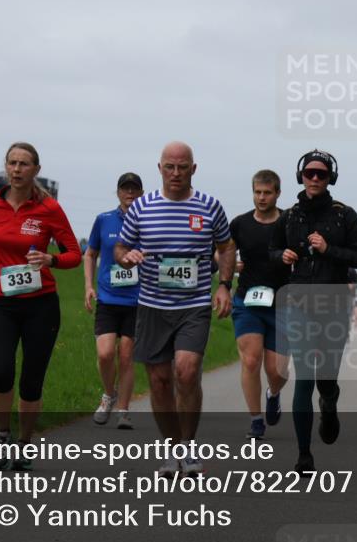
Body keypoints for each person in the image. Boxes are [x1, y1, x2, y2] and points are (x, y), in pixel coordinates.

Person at [114, 142, 235, 477]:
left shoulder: (209, 206)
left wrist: (224, 285)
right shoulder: (142, 207)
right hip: (152, 304)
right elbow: (121, 246)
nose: (176, 173)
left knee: (186, 369)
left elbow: (226, 246)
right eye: (170, 167)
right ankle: (170, 449)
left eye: (183, 167)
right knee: (159, 380)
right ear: (160, 168)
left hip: (193, 304)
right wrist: (127, 256)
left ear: (193, 169)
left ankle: (189, 445)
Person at [0, 142, 81, 470]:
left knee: (31, 381)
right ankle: (3, 436)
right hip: (0, 301)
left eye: (24, 164)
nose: (17, 169)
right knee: (2, 372)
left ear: (36, 170)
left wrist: (50, 259)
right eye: (12, 163)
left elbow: (74, 254)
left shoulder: (49, 209)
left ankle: (24, 444)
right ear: (6, 167)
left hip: (41, 305)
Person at [271, 149, 357, 474]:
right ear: (300, 176)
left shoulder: (345, 215)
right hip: (298, 304)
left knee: (326, 377)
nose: (314, 178)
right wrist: (281, 256)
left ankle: (329, 402)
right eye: (309, 173)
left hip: (333, 305)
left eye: (321, 174)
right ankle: (304, 455)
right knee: (304, 376)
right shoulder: (288, 216)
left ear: (331, 179)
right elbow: (270, 251)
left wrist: (329, 250)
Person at [230, 170, 291, 439]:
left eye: (267, 192)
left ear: (278, 193)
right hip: (248, 300)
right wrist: (231, 266)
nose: (262, 197)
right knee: (251, 360)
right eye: (257, 192)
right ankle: (256, 419)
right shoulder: (240, 224)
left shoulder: (290, 223)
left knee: (277, 371)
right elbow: (223, 254)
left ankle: (273, 393)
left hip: (282, 305)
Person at [84, 172, 144, 429]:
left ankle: (123, 410)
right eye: (125, 189)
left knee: (127, 355)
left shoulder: (148, 220)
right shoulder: (104, 220)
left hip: (137, 300)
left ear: (141, 193)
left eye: (134, 189)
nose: (129, 193)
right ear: (118, 192)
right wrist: (88, 285)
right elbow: (90, 253)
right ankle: (109, 395)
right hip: (108, 297)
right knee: (106, 353)